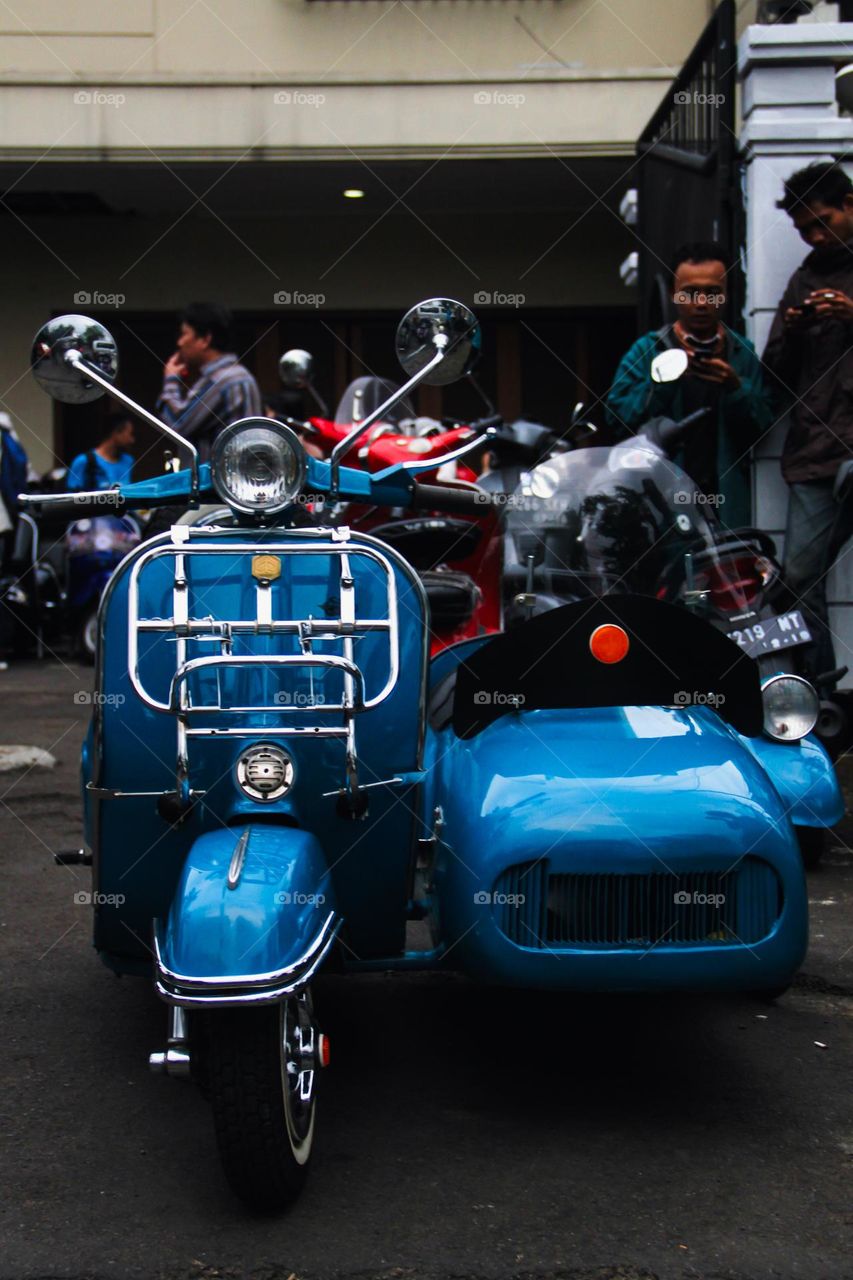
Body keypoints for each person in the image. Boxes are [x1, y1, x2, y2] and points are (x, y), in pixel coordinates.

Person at [762, 161, 853, 684]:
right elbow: (773, 373)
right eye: (804, 230)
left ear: (850, 206)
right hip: (817, 452)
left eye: (823, 222)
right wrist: (795, 330)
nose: (815, 237)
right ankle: (817, 698)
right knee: (796, 578)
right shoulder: (805, 277)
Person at [605, 242, 771, 529]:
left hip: (726, 501)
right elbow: (618, 421)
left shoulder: (741, 352)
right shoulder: (648, 350)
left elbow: (762, 426)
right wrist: (665, 381)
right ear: (673, 294)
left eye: (713, 293)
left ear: (727, 295)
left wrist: (735, 387)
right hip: (661, 500)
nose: (702, 303)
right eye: (690, 293)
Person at [156, 302, 261, 458]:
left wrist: (171, 381)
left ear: (205, 339)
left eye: (185, 334)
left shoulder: (221, 380)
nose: (180, 342)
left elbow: (178, 425)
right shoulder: (240, 375)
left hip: (219, 481)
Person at [67, 411, 135, 491]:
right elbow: (72, 496)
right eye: (129, 434)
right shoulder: (84, 461)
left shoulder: (128, 461)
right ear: (116, 432)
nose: (132, 440)